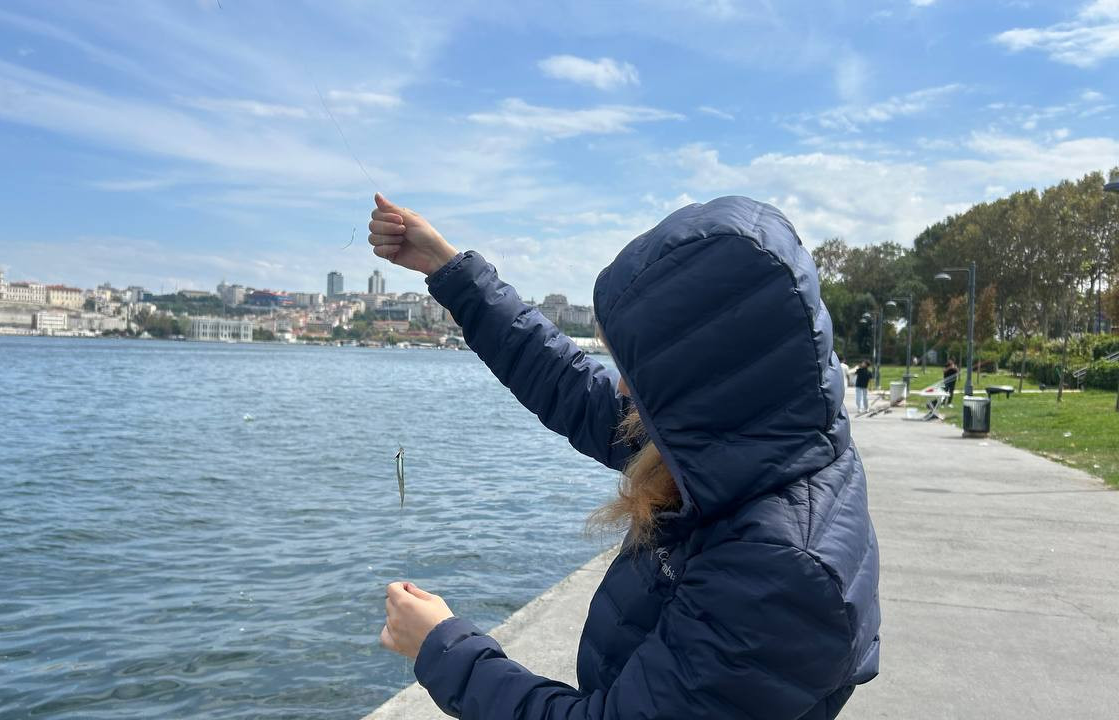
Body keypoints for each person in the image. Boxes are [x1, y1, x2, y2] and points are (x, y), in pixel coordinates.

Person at [368, 192, 880, 719]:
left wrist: (444, 648)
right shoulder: (751, 440)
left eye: (639, 374)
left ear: (702, 378)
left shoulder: (782, 573)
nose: (623, 389)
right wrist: (449, 269)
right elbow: (569, 384)